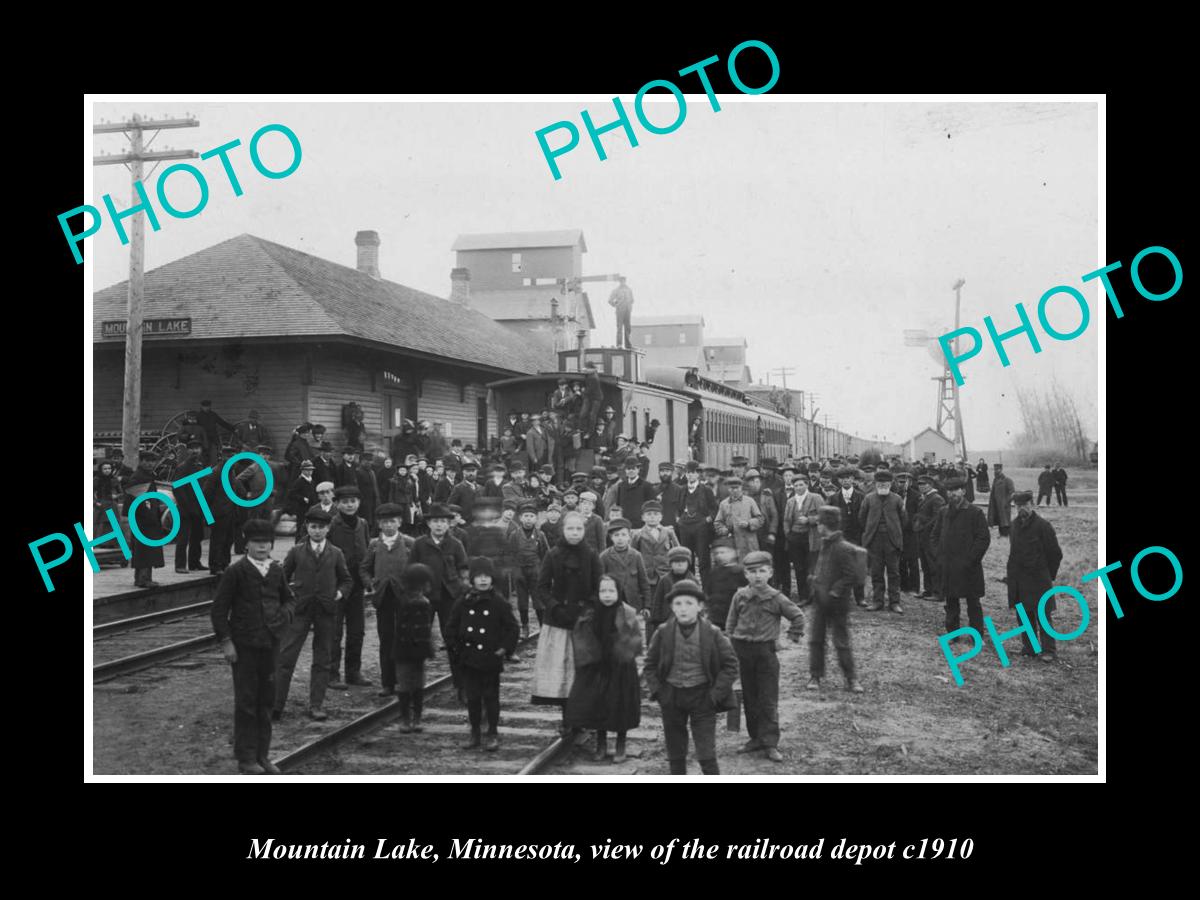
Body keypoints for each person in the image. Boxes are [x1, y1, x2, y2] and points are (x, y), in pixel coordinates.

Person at [211, 518, 296, 775]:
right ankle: (246, 757)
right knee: (246, 702)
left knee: (266, 700)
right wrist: (227, 643)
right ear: (246, 544)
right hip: (244, 646)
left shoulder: (276, 570)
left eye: (267, 543)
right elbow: (218, 611)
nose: (262, 547)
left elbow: (289, 600)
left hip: (270, 645)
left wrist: (283, 619)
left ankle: (263, 755)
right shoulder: (235, 572)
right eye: (257, 543)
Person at [643, 579, 739, 775]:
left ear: (700, 606)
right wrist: (660, 692)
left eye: (689, 603)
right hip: (672, 696)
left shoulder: (713, 634)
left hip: (703, 697)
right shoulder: (663, 632)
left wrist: (714, 696)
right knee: (676, 751)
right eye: (678, 604)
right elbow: (650, 665)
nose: (683, 609)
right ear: (671, 607)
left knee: (706, 752)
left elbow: (730, 666)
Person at [725, 551, 804, 762]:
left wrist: (790, 639)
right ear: (746, 574)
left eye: (762, 571)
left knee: (768, 700)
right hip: (743, 652)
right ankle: (755, 738)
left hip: (765, 654)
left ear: (770, 572)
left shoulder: (777, 598)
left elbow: (797, 616)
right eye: (752, 572)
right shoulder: (740, 596)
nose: (757, 576)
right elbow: (731, 623)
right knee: (750, 698)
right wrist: (731, 645)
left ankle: (770, 742)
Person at [274, 506, 352, 721]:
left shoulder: (336, 553)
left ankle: (316, 705)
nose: (317, 531)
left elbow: (346, 579)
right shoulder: (297, 551)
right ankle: (276, 704)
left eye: (322, 527)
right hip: (300, 609)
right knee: (286, 656)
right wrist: (289, 596)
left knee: (322, 658)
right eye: (313, 527)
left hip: (326, 611)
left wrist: (339, 594)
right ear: (307, 527)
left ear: (328, 529)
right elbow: (282, 578)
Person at [533, 511, 601, 727]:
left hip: (584, 622)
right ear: (563, 530)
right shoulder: (553, 554)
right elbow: (542, 587)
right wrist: (555, 607)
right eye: (570, 529)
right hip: (558, 622)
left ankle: (582, 719)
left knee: (582, 671)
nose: (575, 533)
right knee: (563, 672)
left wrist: (587, 610)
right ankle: (567, 720)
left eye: (579, 529)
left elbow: (599, 586)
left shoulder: (591, 555)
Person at [566, 574, 644, 763]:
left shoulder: (628, 612)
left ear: (618, 592)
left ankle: (620, 745)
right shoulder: (590, 613)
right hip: (598, 666)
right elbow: (580, 636)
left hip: (620, 667)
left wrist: (623, 649)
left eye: (611, 590)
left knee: (620, 706)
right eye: (603, 591)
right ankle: (601, 744)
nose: (607, 595)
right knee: (598, 705)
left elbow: (636, 639)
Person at [447, 557, 520, 750]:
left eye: (487, 576)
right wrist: (456, 649)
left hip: (490, 659)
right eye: (478, 577)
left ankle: (492, 733)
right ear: (472, 579)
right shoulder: (463, 602)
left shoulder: (498, 602)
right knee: (472, 698)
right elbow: (451, 627)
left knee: (491, 697)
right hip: (469, 659)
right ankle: (474, 733)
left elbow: (512, 628)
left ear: (492, 579)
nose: (483, 580)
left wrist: (503, 649)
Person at [806, 506, 865, 694]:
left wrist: (834, 592)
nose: (817, 527)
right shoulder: (825, 543)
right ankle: (815, 676)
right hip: (820, 600)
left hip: (837, 604)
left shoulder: (842, 547)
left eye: (819, 524)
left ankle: (851, 679)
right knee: (816, 640)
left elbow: (852, 576)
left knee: (841, 641)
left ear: (825, 526)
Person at [361, 502, 415, 699]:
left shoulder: (409, 543)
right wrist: (371, 584)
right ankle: (387, 683)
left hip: (405, 599)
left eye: (392, 521)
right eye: (385, 522)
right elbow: (364, 568)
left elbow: (419, 568)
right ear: (379, 524)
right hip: (383, 598)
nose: (389, 526)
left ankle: (404, 681)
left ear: (400, 522)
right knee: (386, 639)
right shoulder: (375, 545)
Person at [932, 475, 991, 643]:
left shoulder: (975, 512)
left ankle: (976, 635)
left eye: (955, 490)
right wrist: (939, 556)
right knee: (951, 602)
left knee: (973, 603)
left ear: (963, 491)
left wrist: (970, 560)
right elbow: (934, 536)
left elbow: (983, 539)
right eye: (949, 491)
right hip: (948, 566)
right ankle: (953, 633)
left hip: (968, 568)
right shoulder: (943, 512)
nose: (952, 494)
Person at [1006, 491, 1064, 661]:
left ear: (1032, 504)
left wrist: (1047, 575)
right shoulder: (1014, 525)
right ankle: (1030, 647)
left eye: (1024, 504)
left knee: (1042, 613)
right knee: (1023, 613)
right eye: (1017, 505)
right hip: (1018, 578)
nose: (1021, 508)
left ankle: (1049, 651)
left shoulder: (1043, 526)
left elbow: (1055, 554)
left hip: (1038, 579)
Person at [410, 504, 469, 659]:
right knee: (420, 636)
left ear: (449, 524)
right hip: (425, 597)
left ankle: (459, 677)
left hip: (449, 596)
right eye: (435, 521)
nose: (439, 525)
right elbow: (411, 569)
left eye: (443, 521)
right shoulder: (419, 544)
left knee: (452, 636)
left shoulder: (456, 544)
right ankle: (416, 678)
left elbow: (464, 569)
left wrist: (462, 589)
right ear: (429, 524)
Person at [326, 485, 371, 689]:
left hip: (357, 585)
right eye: (345, 502)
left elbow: (368, 553)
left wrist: (368, 577)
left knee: (357, 630)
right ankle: (332, 674)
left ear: (359, 503)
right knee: (334, 631)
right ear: (337, 504)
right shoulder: (331, 524)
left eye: (353, 501)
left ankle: (353, 672)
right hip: (335, 585)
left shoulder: (363, 524)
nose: (349, 505)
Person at [390, 563, 436, 731]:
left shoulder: (402, 600)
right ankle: (415, 718)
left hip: (403, 649)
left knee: (406, 684)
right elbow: (426, 630)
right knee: (416, 684)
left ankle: (407, 719)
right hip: (416, 650)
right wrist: (428, 648)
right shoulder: (422, 603)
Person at [860, 470, 907, 614]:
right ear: (875, 484)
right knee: (876, 572)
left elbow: (904, 520)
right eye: (880, 483)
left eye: (885, 483)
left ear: (890, 484)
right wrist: (870, 532)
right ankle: (877, 601)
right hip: (874, 540)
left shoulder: (897, 499)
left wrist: (894, 532)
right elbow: (861, 518)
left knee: (894, 572)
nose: (882, 486)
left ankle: (894, 602)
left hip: (892, 541)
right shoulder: (868, 498)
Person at [125, 453, 171, 588]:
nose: (150, 464)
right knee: (144, 548)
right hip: (143, 518)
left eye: (153, 461)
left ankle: (143, 577)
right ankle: (143, 579)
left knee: (146, 548)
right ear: (141, 461)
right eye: (147, 461)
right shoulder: (139, 477)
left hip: (147, 517)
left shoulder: (145, 476)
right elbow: (137, 500)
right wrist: (149, 514)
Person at [510, 500, 550, 638]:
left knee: (538, 601)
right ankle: (525, 627)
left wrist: (545, 573)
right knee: (522, 601)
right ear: (520, 518)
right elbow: (510, 554)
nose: (528, 519)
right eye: (525, 516)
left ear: (536, 518)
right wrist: (514, 571)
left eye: (531, 516)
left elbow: (546, 554)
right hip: (520, 572)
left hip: (536, 572)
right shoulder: (515, 535)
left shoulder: (540, 535)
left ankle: (543, 627)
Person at [827, 466, 866, 607]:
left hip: (857, 537)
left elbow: (865, 518)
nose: (846, 481)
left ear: (853, 480)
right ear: (838, 481)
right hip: (840, 538)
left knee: (858, 567)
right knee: (839, 567)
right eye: (842, 478)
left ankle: (860, 597)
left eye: (848, 478)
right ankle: (841, 595)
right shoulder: (833, 498)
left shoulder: (862, 497)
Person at [783, 473, 823, 604]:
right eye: (796, 485)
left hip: (810, 537)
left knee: (812, 567)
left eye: (801, 484)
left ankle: (815, 595)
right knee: (799, 568)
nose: (798, 487)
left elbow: (824, 515)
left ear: (806, 485)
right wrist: (788, 534)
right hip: (795, 538)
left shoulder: (815, 498)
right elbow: (786, 520)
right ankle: (803, 596)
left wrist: (810, 519)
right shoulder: (791, 501)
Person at [600, 517, 652, 615]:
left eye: (624, 535)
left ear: (629, 536)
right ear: (611, 537)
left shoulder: (636, 555)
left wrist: (646, 606)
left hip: (633, 603)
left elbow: (644, 582)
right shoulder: (605, 556)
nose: (620, 538)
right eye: (616, 535)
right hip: (612, 602)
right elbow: (599, 582)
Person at [172, 440, 209, 574]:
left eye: (197, 448)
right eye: (192, 448)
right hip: (186, 509)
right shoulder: (183, 467)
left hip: (198, 508)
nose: (195, 451)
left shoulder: (200, 466)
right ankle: (180, 565)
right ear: (187, 451)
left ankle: (194, 563)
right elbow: (177, 489)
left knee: (197, 537)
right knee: (183, 538)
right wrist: (187, 506)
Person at [713, 476, 764, 560]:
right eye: (732, 488)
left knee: (750, 562)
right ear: (728, 489)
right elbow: (717, 522)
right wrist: (723, 530)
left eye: (737, 488)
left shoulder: (749, 501)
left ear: (741, 488)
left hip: (749, 542)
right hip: (733, 542)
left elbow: (760, 519)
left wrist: (749, 523)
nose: (735, 490)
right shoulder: (724, 504)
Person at [914, 475, 946, 601]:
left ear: (931, 485)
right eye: (920, 484)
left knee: (934, 564)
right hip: (923, 536)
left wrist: (923, 525)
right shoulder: (926, 497)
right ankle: (928, 590)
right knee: (925, 565)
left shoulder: (937, 499)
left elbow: (937, 519)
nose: (921, 486)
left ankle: (938, 592)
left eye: (924, 484)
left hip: (931, 537)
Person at [705, 537, 746, 629]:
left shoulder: (740, 572)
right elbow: (709, 592)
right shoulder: (714, 572)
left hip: (735, 616)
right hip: (716, 616)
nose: (719, 555)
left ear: (735, 553)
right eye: (716, 553)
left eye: (723, 552)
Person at [284, 459, 319, 534]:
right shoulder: (299, 481)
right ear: (302, 470)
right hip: (302, 508)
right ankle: (298, 543)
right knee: (301, 527)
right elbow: (291, 494)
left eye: (311, 470)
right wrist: (302, 498)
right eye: (307, 470)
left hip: (312, 507)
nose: (309, 472)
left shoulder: (313, 482)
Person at [988, 463, 1015, 536]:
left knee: (1005, 520)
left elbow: (1012, 493)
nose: (996, 471)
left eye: (998, 469)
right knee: (999, 519)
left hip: (1004, 505)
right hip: (996, 504)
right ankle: (1001, 534)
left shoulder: (1007, 480)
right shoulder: (995, 480)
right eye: (995, 469)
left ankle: (1006, 534)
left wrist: (1006, 502)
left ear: (1001, 470)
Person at [608, 275, 635, 348]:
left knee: (628, 328)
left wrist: (629, 306)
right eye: (621, 281)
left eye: (624, 281)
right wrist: (616, 305)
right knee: (619, 328)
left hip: (628, 310)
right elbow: (610, 300)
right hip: (620, 310)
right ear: (619, 282)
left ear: (625, 281)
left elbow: (632, 300)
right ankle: (619, 344)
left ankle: (628, 345)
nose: (622, 282)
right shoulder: (616, 290)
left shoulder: (629, 290)